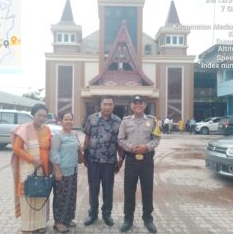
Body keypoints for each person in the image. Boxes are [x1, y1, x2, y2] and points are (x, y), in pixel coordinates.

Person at [118, 95, 161, 233]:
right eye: (135, 103)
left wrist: (146, 148)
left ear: (144, 105)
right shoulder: (125, 122)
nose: (137, 105)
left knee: (147, 190)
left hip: (147, 160)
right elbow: (120, 139)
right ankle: (128, 219)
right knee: (129, 190)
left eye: (140, 103)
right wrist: (131, 148)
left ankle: (148, 219)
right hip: (131, 160)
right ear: (131, 106)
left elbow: (156, 139)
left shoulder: (152, 121)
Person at [10, 103, 51, 234]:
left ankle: (40, 224)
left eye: (44, 116)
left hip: (43, 167)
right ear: (33, 114)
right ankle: (27, 227)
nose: (42, 118)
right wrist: (33, 159)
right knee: (27, 193)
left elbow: (49, 148)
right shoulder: (24, 129)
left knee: (41, 193)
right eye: (39, 115)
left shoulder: (47, 129)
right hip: (28, 167)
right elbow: (16, 148)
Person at [83, 96, 123, 227]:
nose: (107, 107)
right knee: (94, 189)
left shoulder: (118, 121)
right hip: (93, 160)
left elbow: (119, 142)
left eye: (110, 104)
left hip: (109, 162)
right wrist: (84, 156)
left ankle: (107, 214)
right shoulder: (92, 118)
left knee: (108, 190)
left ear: (113, 106)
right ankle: (92, 214)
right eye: (105, 104)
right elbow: (87, 137)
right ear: (101, 105)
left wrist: (120, 159)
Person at [50, 112, 83, 233]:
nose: (69, 121)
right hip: (62, 171)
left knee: (70, 196)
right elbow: (54, 153)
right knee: (60, 197)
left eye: (70, 119)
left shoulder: (74, 134)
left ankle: (67, 219)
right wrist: (57, 171)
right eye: (66, 119)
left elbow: (78, 149)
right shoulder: (58, 135)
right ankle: (58, 222)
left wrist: (80, 151)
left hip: (73, 170)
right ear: (61, 121)